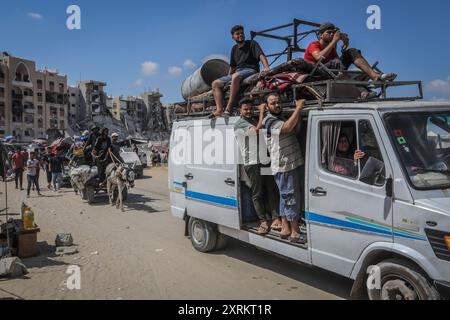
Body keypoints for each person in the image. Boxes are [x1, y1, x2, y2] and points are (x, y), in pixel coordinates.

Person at [263, 94, 306, 243]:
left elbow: (294, 129)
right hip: (284, 165)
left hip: (291, 162)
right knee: (291, 197)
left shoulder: (280, 118)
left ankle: (285, 227)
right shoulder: (268, 121)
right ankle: (294, 232)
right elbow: (287, 128)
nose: (276, 104)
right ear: (267, 106)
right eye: (272, 103)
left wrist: (297, 114)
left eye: (278, 102)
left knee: (285, 196)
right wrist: (299, 108)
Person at [234, 98, 281, 234]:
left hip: (264, 160)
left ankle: (275, 218)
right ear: (240, 111)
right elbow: (256, 131)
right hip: (252, 163)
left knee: (271, 189)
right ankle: (263, 222)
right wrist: (261, 112)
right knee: (257, 193)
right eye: (245, 109)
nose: (249, 111)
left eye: (250, 108)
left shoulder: (254, 119)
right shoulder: (239, 124)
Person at [210, 25, 270, 118]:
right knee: (215, 83)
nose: (240, 35)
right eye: (237, 34)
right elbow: (233, 66)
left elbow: (261, 55)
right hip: (237, 72)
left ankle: (228, 108)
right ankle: (219, 110)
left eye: (242, 33)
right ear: (233, 37)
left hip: (251, 70)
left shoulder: (252, 44)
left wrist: (266, 68)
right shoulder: (234, 49)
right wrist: (227, 79)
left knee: (235, 76)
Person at [304, 22, 397, 82]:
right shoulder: (314, 44)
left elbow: (338, 63)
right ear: (320, 35)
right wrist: (335, 40)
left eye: (333, 32)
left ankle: (375, 76)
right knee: (336, 63)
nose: (332, 34)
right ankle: (357, 89)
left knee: (351, 52)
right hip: (315, 73)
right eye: (328, 32)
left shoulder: (331, 48)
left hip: (329, 71)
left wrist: (345, 46)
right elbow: (319, 57)